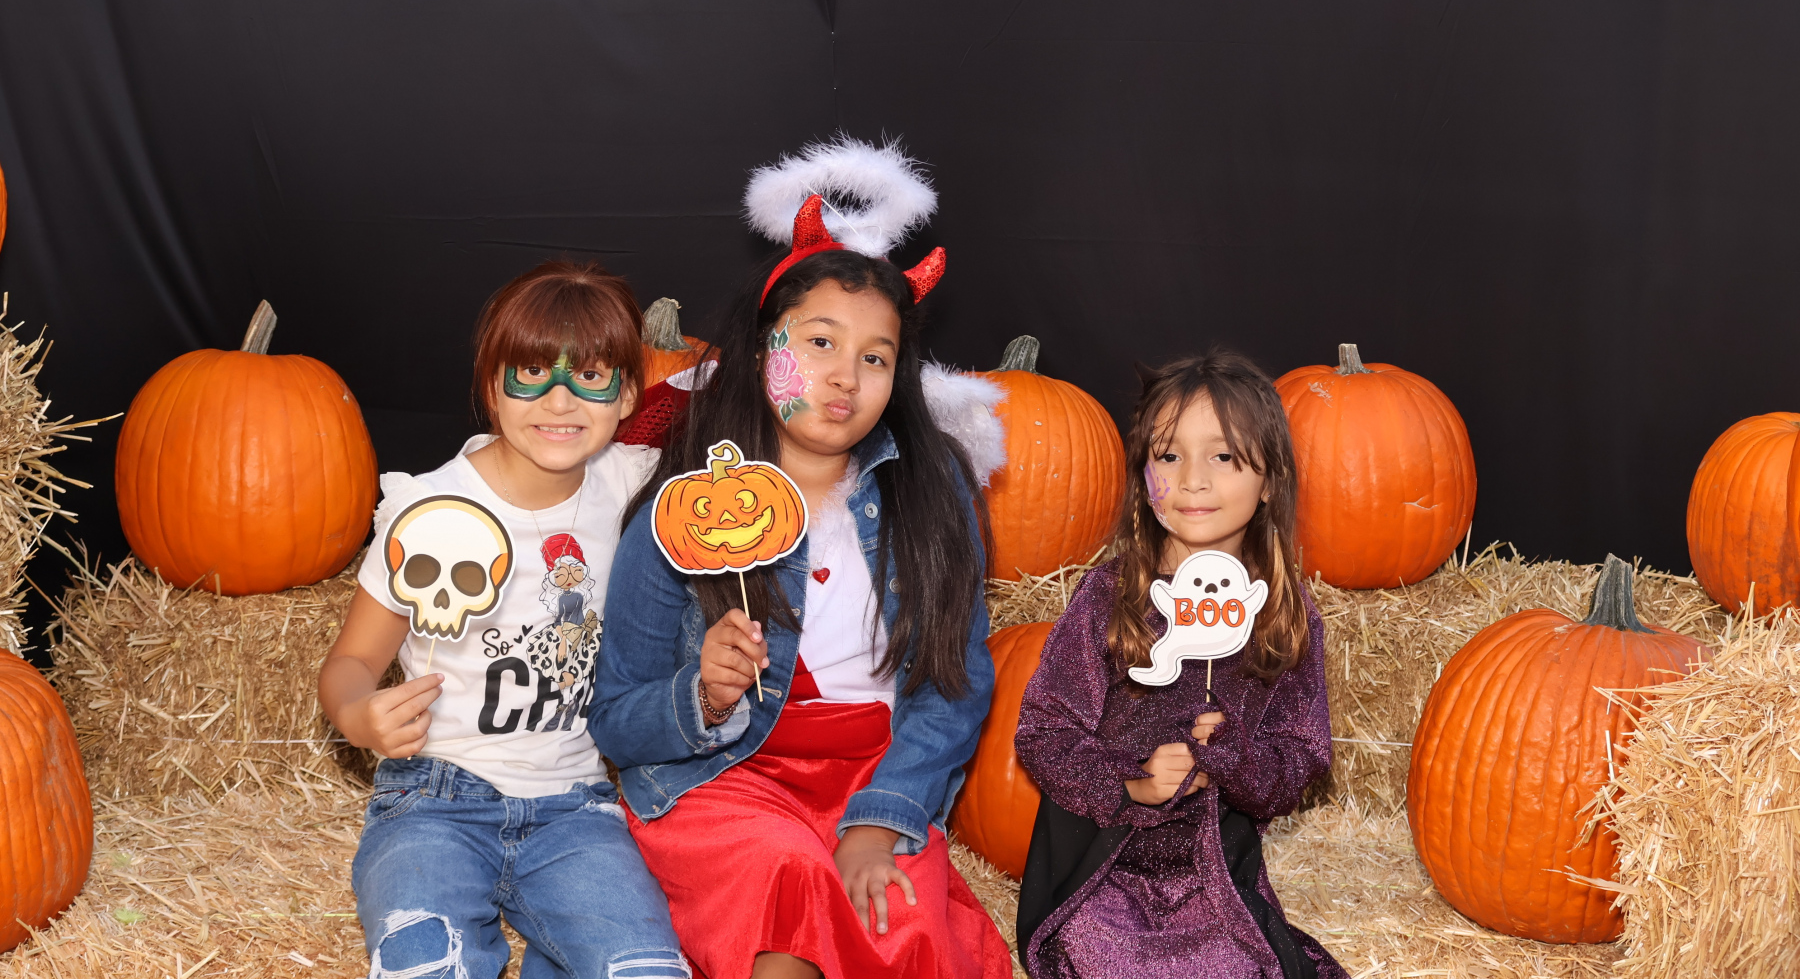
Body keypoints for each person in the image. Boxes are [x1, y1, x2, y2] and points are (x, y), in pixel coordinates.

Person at [592, 141, 1012, 979]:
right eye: (819, 342)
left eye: (874, 357)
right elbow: (615, 716)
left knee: (897, 925)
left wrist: (880, 819)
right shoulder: (687, 509)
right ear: (761, 351)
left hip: (875, 775)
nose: (844, 378)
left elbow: (955, 687)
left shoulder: (933, 495)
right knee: (783, 883)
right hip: (727, 779)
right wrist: (701, 694)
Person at [319, 260, 689, 979]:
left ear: (626, 395)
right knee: (424, 962)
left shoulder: (637, 487)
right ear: (491, 387)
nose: (560, 399)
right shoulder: (429, 510)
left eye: (590, 376)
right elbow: (351, 662)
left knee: (644, 969)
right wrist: (358, 715)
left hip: (575, 809)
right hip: (435, 800)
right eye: (532, 373)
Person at [1013, 351, 1346, 979]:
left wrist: (1234, 757)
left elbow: (1301, 759)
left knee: (1237, 967)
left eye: (1223, 457)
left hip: (1214, 876)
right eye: (1168, 455)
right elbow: (1043, 732)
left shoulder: (1284, 611)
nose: (1193, 479)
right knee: (1100, 958)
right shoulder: (1110, 597)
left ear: (1270, 480)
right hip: (1104, 872)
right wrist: (1133, 783)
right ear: (1144, 475)